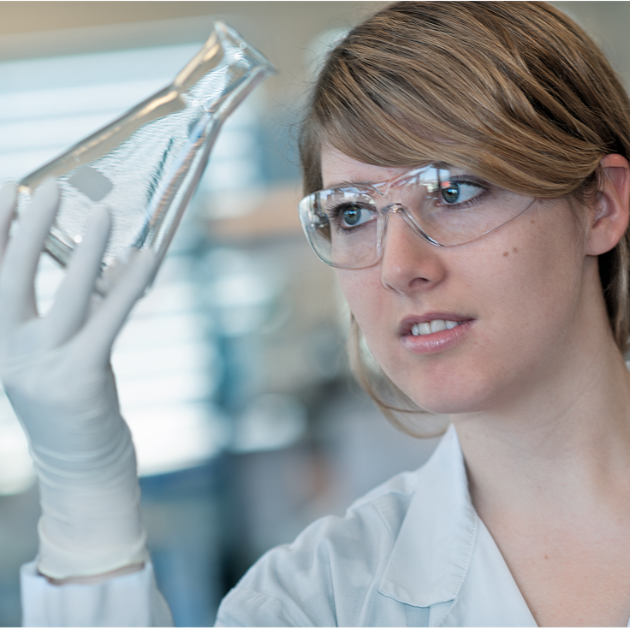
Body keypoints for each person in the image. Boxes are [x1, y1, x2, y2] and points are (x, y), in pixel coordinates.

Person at [2, 0, 630, 625]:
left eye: (454, 189)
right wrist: (86, 506)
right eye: (351, 213)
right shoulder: (313, 599)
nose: (397, 265)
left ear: (600, 205)